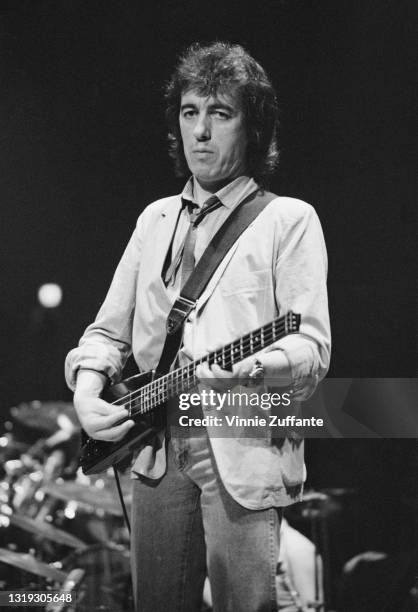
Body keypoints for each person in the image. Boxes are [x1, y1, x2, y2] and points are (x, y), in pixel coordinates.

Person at [65, 42, 330, 612]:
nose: (201, 132)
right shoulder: (154, 219)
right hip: (157, 449)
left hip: (239, 440)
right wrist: (87, 395)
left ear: (252, 128)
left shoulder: (288, 220)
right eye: (190, 113)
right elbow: (106, 335)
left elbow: (311, 344)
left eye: (220, 113)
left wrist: (259, 364)